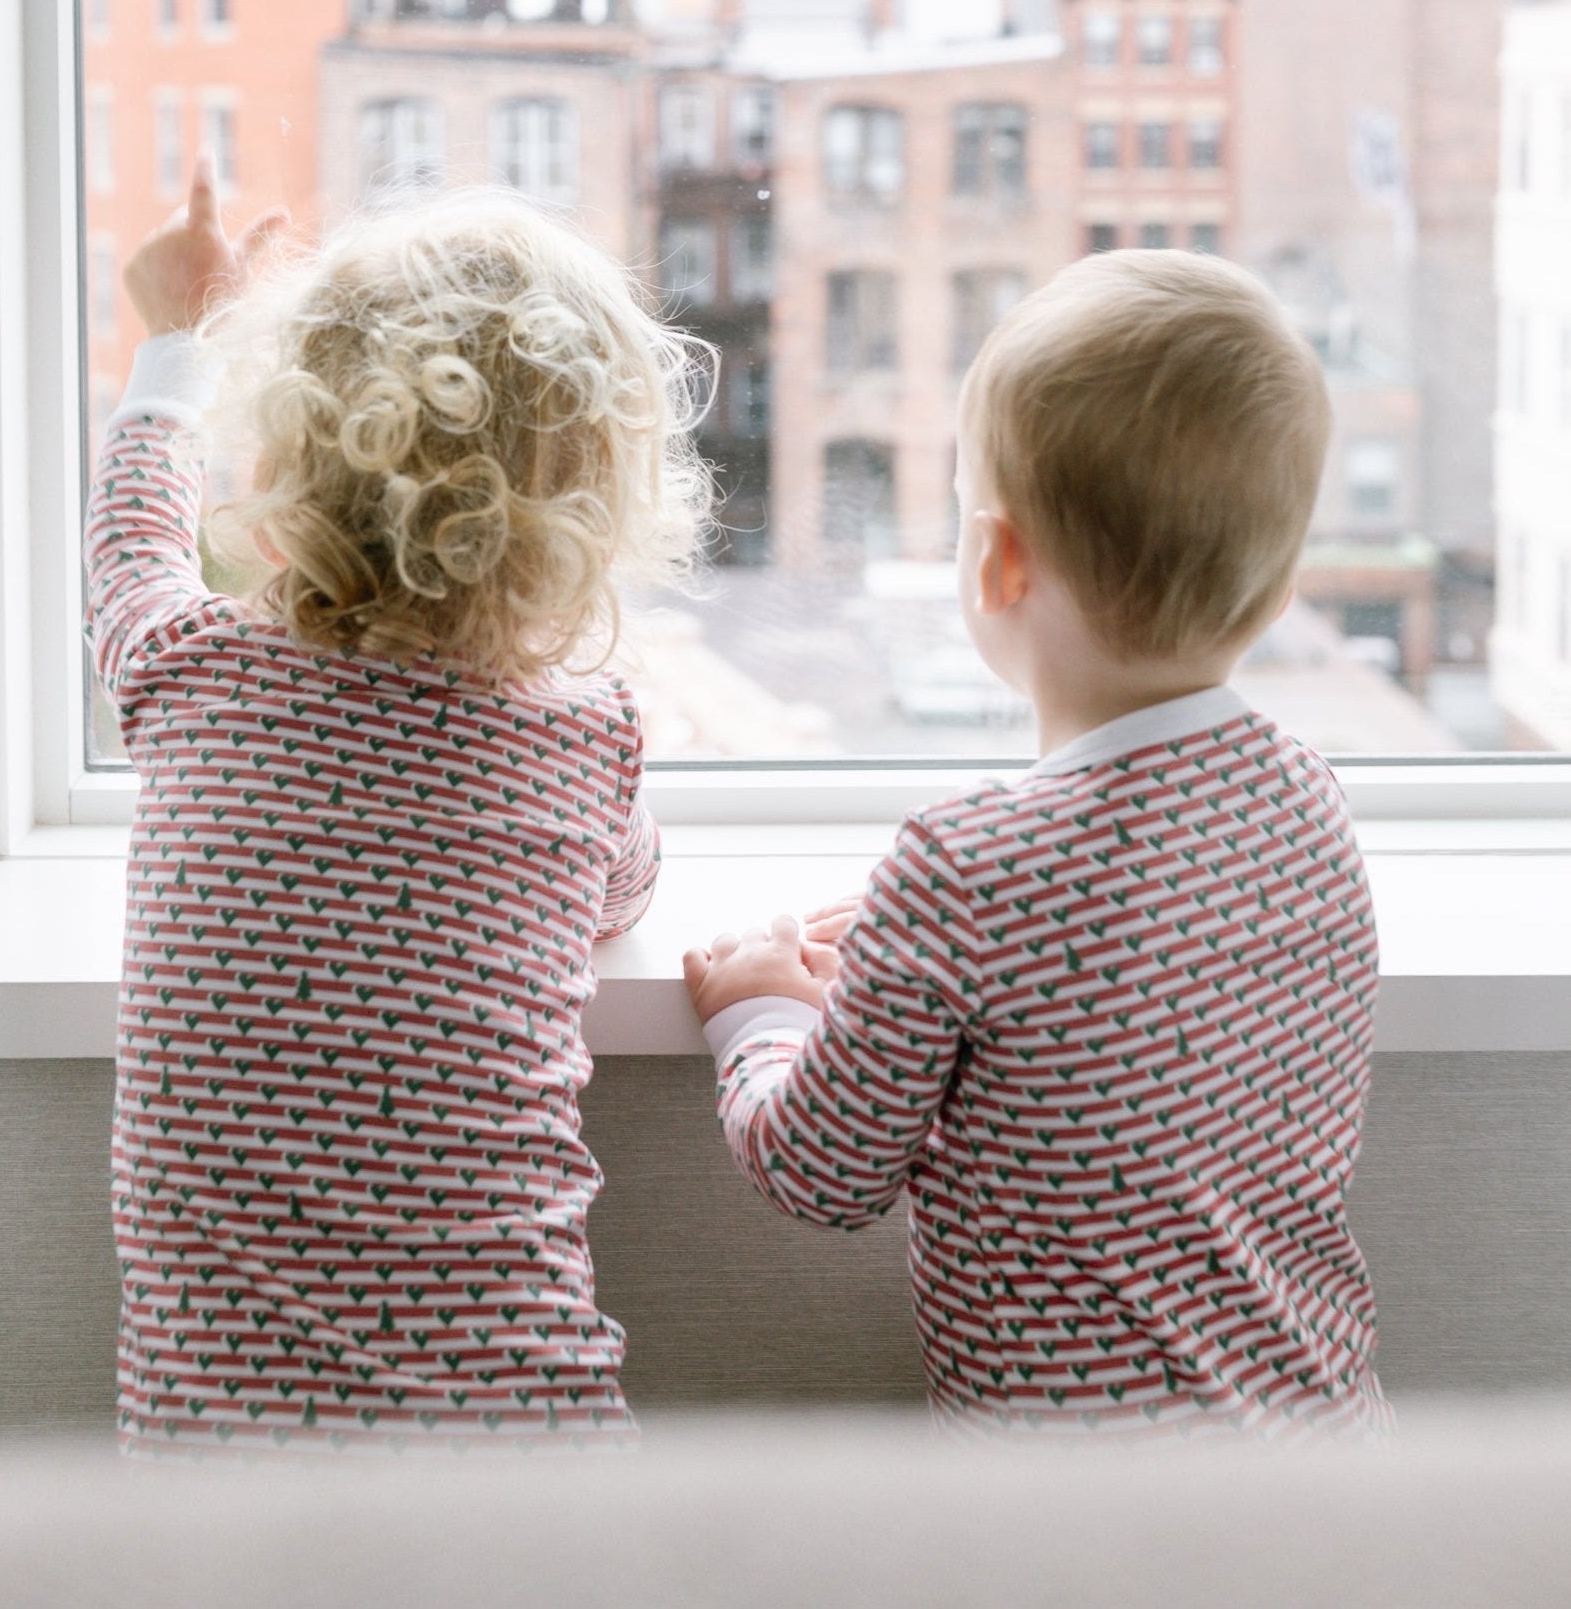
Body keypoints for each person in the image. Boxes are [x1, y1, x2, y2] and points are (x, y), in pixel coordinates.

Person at [685, 250, 1390, 1438]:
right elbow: (1120, 1013)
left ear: (996, 561)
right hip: (1323, 1445)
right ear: (1276, 592)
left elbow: (822, 1171)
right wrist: (923, 966)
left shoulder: (965, 867)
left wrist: (760, 1011)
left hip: (1090, 1514)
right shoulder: (1308, 801)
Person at [88, 160, 709, 1447]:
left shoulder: (189, 668)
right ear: (585, 514)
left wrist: (171, 339)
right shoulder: (582, 739)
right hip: (521, 1434)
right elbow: (623, 893)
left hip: (216, 1450)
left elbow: (130, 546)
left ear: (283, 476)